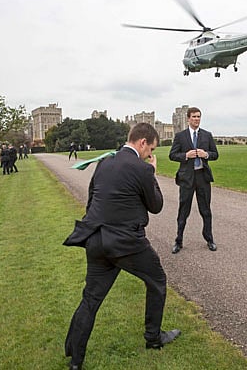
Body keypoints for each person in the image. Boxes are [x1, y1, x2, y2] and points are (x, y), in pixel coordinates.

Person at [63, 123, 180, 370]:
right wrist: (153, 174)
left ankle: (75, 357)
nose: (151, 155)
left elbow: (92, 198)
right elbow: (156, 205)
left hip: (95, 237)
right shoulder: (142, 168)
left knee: (91, 298)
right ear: (142, 143)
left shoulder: (105, 163)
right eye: (151, 150)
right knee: (157, 280)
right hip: (126, 242)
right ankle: (154, 338)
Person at [169, 107, 219, 254]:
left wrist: (206, 154)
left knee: (206, 210)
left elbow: (215, 154)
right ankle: (178, 240)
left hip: (203, 177)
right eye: (194, 117)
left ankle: (209, 239)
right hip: (187, 178)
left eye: (199, 117)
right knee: (183, 210)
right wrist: (186, 155)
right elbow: (172, 155)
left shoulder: (207, 135)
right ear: (188, 118)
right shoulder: (180, 136)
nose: (197, 119)